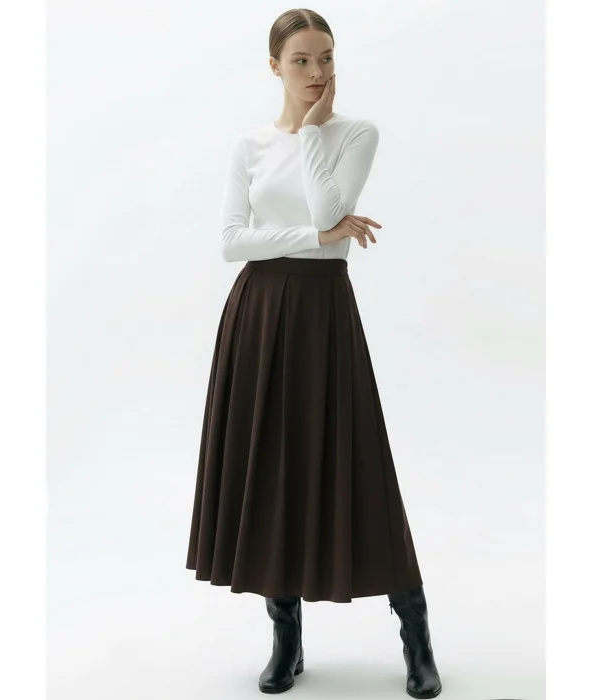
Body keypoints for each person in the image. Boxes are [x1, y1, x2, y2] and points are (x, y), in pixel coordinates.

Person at [185, 8, 442, 698]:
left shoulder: (354, 133)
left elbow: (331, 211)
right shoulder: (248, 145)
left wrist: (309, 134)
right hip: (258, 313)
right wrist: (314, 236)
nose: (316, 71)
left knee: (360, 464)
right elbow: (233, 242)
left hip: (324, 313)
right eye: (300, 60)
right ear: (274, 66)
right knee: (271, 467)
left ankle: (416, 634)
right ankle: (286, 638)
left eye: (326, 57)